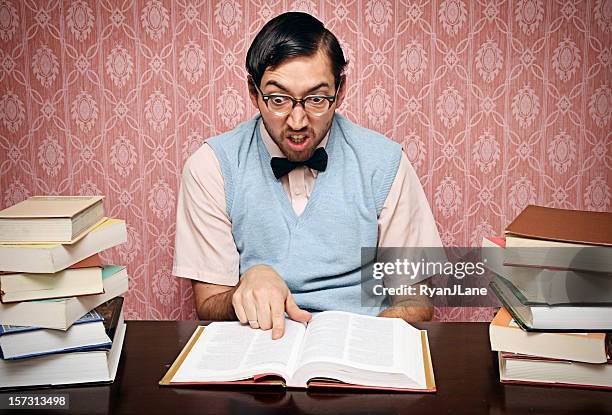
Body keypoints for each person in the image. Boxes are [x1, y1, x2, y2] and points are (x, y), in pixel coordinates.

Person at [173, 12, 442, 340]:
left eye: (316, 99)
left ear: (340, 91)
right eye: (278, 99)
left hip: (362, 347)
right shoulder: (210, 166)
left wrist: (362, 346)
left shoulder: (386, 162)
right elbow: (209, 304)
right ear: (252, 92)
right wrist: (246, 286)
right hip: (257, 354)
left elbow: (415, 298)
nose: (298, 121)